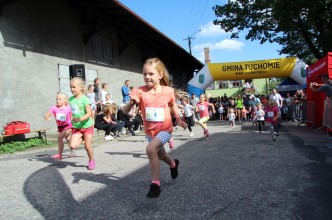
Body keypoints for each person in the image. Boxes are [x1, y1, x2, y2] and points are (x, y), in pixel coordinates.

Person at [123, 57, 187, 198]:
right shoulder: (138, 91)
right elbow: (125, 111)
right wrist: (132, 102)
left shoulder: (168, 91)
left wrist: (178, 119)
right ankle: (173, 164)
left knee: (150, 150)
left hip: (165, 129)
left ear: (160, 75)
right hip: (150, 132)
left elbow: (173, 105)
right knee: (161, 155)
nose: (147, 77)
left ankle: (155, 185)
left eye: (151, 74)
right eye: (145, 74)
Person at [69, 77, 95, 170]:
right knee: (72, 145)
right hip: (77, 127)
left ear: (80, 87)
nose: (72, 89)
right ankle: (82, 137)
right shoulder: (71, 99)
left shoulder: (85, 99)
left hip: (87, 126)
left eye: (74, 87)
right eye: (71, 87)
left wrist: (79, 119)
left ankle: (91, 160)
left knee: (87, 146)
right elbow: (71, 111)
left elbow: (89, 113)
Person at [44, 92, 72, 159]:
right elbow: (46, 115)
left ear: (65, 100)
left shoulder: (68, 108)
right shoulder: (54, 108)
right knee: (68, 139)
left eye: (60, 99)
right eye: (56, 99)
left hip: (68, 126)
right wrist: (47, 118)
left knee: (60, 138)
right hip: (60, 127)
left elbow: (73, 116)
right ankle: (73, 149)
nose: (57, 100)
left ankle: (60, 154)